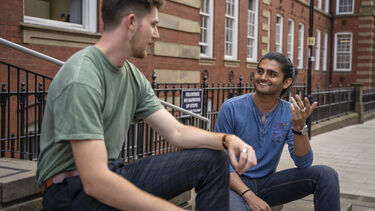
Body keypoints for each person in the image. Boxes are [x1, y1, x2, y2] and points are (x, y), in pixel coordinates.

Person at [36, 0, 257, 210]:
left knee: (213, 158)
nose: (156, 34)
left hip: (111, 172)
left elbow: (177, 132)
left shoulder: (131, 75)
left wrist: (227, 140)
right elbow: (95, 181)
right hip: (69, 193)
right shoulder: (82, 78)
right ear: (131, 22)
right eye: (153, 25)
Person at [215, 52, 340, 211]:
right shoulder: (231, 108)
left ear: (286, 82)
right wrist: (249, 196)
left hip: (267, 184)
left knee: (326, 175)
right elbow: (221, 163)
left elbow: (304, 163)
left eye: (272, 74)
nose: (263, 77)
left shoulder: (289, 112)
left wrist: (299, 128)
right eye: (260, 71)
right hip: (232, 184)